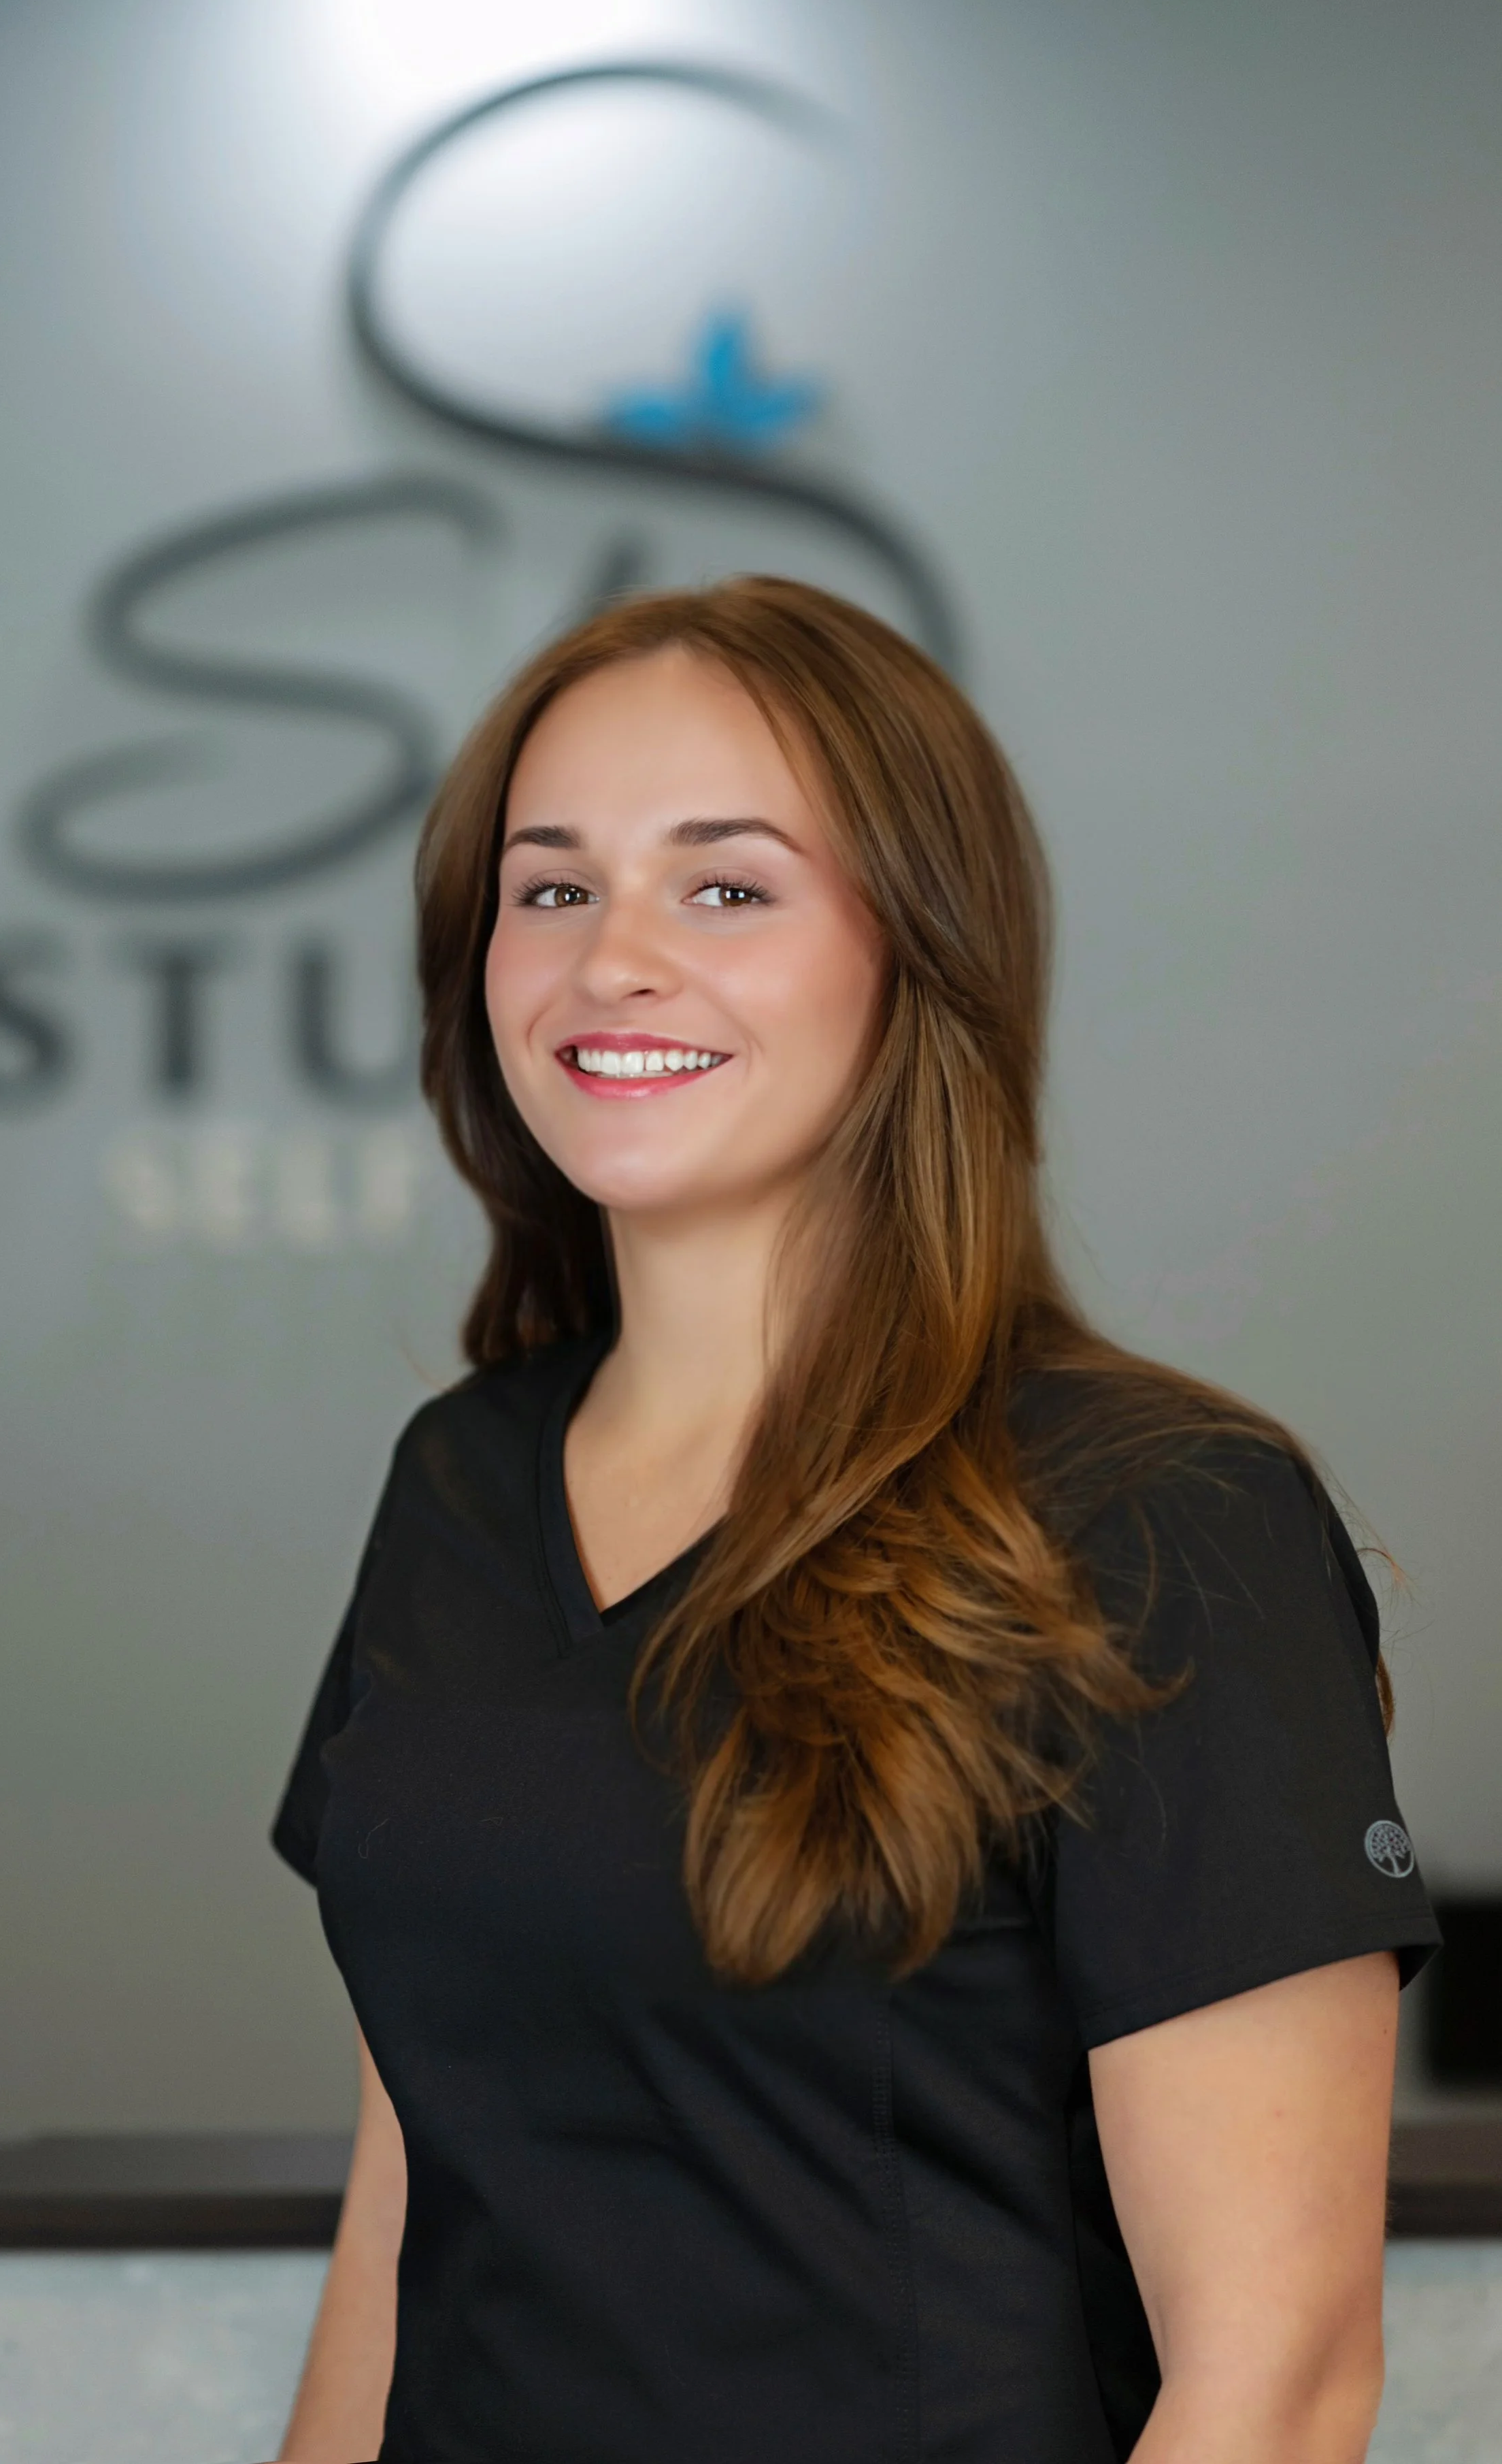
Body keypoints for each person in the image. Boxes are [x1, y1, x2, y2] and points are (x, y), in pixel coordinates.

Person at [269, 576, 1438, 2464]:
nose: (612, 959)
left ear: (920, 947)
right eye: (550, 886)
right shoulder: (457, 1479)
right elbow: (407, 2202)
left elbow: (1278, 2385)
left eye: (725, 884)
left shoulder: (1158, 1518)